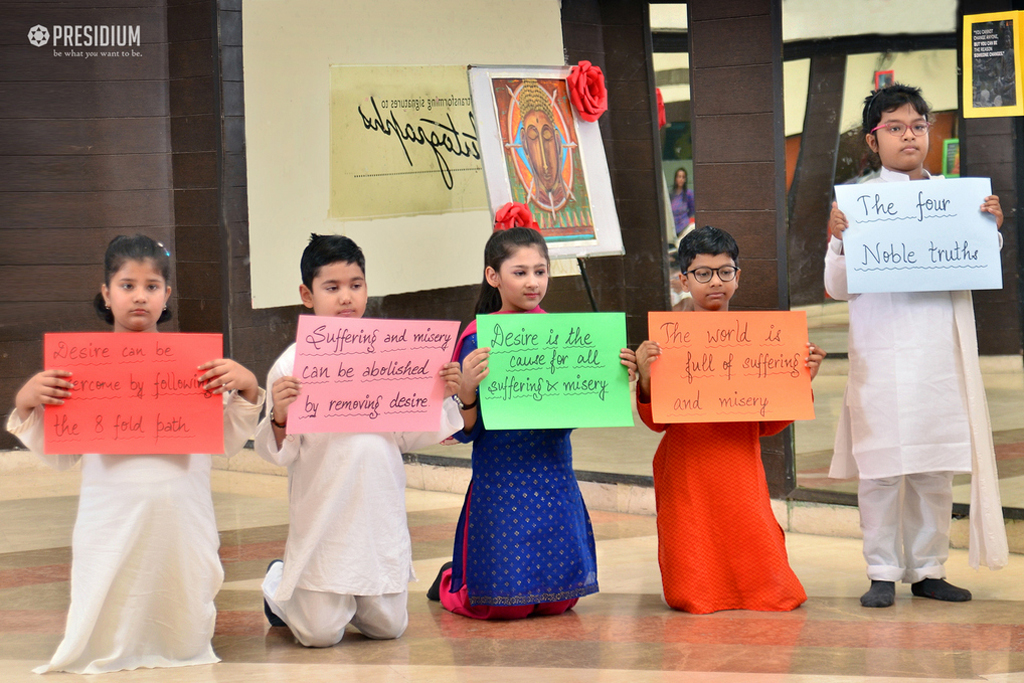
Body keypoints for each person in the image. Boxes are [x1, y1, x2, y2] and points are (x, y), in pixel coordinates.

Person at [7, 234, 264, 674]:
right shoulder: (80, 367)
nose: (139, 296)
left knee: (178, 591)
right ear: (106, 294)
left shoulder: (196, 367)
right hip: (110, 515)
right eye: (127, 285)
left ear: (167, 294)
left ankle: (180, 641)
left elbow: (226, 440)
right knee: (112, 590)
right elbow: (60, 455)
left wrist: (247, 388)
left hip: (182, 514)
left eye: (151, 285)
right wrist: (28, 401)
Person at [824, 83, 1008, 608]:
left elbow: (979, 265)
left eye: (918, 125)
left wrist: (989, 226)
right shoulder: (857, 204)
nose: (910, 135)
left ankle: (929, 569)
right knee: (881, 469)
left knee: (933, 466)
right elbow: (837, 287)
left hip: (938, 355)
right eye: (896, 127)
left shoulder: (958, 199)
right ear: (873, 140)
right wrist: (838, 238)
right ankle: (881, 569)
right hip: (879, 355)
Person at [255, 233, 465, 647]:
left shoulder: (392, 356)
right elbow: (280, 452)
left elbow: (410, 434)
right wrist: (279, 415)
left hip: (377, 517)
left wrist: (447, 393)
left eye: (355, 285)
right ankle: (279, 582)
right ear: (307, 294)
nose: (346, 297)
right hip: (324, 521)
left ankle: (353, 596)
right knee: (318, 635)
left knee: (389, 627)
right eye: (331, 288)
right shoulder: (291, 365)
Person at [428, 210, 637, 619]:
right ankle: (455, 578)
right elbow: (465, 431)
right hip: (500, 476)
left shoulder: (565, 335)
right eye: (520, 272)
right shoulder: (476, 337)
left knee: (560, 603)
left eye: (540, 271)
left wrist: (612, 381)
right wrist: (466, 391)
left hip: (553, 471)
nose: (532, 282)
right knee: (504, 610)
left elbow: (574, 410)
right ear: (493, 276)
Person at [634, 226, 824, 614]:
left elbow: (768, 425)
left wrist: (802, 379)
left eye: (725, 271)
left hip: (739, 459)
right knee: (692, 570)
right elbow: (657, 423)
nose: (715, 282)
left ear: (739, 276)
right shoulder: (665, 341)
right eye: (702, 273)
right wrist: (647, 378)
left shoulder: (760, 340)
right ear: (683, 279)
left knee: (762, 563)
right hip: (686, 462)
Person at [670, 167, 695, 237]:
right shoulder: (671, 195)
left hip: (684, 227)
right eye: (679, 177)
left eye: (683, 177)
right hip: (673, 229)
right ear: (676, 179)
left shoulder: (688, 193)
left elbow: (692, 209)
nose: (681, 179)